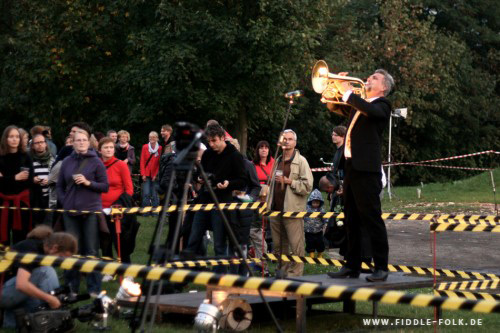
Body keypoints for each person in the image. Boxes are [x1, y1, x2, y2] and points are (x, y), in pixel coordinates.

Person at [325, 69, 394, 282]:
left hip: (367, 170)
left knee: (371, 219)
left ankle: (381, 267)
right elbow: (336, 106)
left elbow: (369, 110)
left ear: (383, 87)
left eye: (374, 78)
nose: (368, 79)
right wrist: (333, 87)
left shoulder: (381, 105)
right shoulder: (359, 106)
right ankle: (351, 265)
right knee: (351, 219)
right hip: (353, 168)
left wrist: (347, 91)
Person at [184, 124, 246, 273]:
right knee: (193, 238)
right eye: (209, 141)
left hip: (222, 202)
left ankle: (220, 277)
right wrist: (200, 178)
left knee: (219, 243)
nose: (211, 144)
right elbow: (201, 173)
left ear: (223, 138)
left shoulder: (235, 156)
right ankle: (188, 274)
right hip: (204, 200)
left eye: (214, 141)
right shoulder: (207, 154)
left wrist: (228, 184)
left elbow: (243, 181)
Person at [56, 130, 109, 294]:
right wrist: (65, 201)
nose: (80, 143)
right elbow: (59, 185)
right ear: (73, 142)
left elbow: (104, 186)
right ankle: (72, 288)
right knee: (71, 250)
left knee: (91, 251)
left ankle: (94, 289)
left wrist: (88, 182)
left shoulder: (96, 162)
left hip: (90, 211)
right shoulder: (66, 162)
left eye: (84, 140)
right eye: (77, 140)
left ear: (88, 142)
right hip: (70, 211)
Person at [0, 227, 77, 329]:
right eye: (61, 257)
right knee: (46, 271)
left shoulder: (38, 246)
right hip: (4, 293)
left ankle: (12, 321)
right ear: (54, 248)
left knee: (33, 323)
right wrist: (50, 299)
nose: (60, 262)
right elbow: (21, 284)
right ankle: (57, 315)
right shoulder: (32, 250)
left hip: (8, 291)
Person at [267, 129, 313, 277]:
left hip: (292, 210)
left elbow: (307, 186)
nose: (286, 141)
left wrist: (289, 181)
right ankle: (283, 272)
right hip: (275, 209)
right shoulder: (277, 160)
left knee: (296, 245)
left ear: (295, 142)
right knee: (279, 245)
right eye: (284, 139)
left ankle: (296, 274)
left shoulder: (301, 161)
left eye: (290, 139)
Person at [98, 137, 135, 265]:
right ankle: (108, 270)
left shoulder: (120, 165)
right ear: (100, 150)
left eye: (111, 147)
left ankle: (127, 270)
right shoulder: (96, 165)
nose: (109, 150)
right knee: (104, 240)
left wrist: (119, 204)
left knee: (120, 241)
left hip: (117, 210)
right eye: (106, 147)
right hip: (100, 209)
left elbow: (129, 189)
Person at [0, 125, 34, 245]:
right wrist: (15, 178)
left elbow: (29, 181)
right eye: (11, 137)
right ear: (5, 139)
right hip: (3, 202)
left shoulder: (26, 157)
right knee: (3, 237)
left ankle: (19, 263)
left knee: (21, 236)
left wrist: (5, 179)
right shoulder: (1, 158)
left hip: (22, 201)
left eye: (17, 137)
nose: (14, 139)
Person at [29, 134, 55, 225]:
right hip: (35, 198)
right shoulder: (29, 160)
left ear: (46, 144)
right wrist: (32, 179)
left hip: (50, 198)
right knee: (36, 225)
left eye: (42, 142)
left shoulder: (53, 159)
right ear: (33, 146)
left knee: (49, 225)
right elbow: (25, 178)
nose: (40, 144)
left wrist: (50, 180)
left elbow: (58, 177)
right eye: (37, 143)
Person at [140, 131, 162, 214]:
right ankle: (145, 212)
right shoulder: (145, 147)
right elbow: (142, 161)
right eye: (150, 137)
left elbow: (160, 163)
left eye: (153, 137)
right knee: (146, 193)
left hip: (155, 174)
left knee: (155, 194)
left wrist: (156, 174)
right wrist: (143, 174)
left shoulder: (160, 148)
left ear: (157, 138)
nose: (151, 139)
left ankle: (155, 212)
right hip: (146, 173)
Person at [304, 189, 328, 258]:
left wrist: (326, 222)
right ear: (310, 201)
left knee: (320, 243)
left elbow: (325, 218)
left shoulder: (321, 210)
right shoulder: (307, 209)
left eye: (317, 203)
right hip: (308, 231)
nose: (315, 204)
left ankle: (320, 254)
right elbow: (302, 216)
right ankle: (311, 254)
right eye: (314, 202)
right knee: (309, 243)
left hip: (318, 231)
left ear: (320, 203)